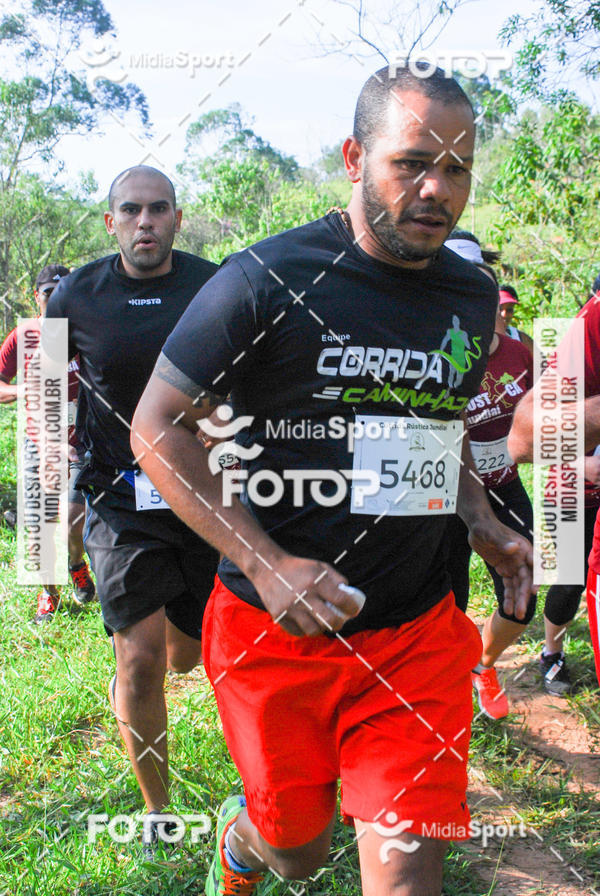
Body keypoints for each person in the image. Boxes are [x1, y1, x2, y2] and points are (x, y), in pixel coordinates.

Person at [132, 67, 534, 896]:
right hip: (275, 639)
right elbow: (157, 426)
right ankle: (245, 849)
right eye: (411, 162)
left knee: (409, 871)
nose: (436, 189)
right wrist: (272, 563)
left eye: (457, 168)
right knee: (298, 849)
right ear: (355, 156)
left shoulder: (469, 291)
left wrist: (482, 518)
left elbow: (438, 421)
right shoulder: (265, 279)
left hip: (418, 632)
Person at [44, 167, 219, 851]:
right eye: (131, 211)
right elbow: (47, 384)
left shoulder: (214, 283)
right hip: (118, 496)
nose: (144, 222)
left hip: (203, 492)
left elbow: (250, 371)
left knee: (188, 657)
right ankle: (156, 812)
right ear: (109, 222)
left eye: (157, 210)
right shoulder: (75, 294)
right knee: (140, 662)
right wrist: (54, 470)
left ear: (177, 218)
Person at [443, 239, 536, 718]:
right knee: (447, 605)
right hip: (444, 495)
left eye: (478, 278)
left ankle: (483, 663)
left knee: (524, 593)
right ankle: (447, 691)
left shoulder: (521, 354)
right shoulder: (435, 354)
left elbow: (549, 415)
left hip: (505, 487)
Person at [509, 272, 600, 694]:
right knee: (568, 580)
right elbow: (537, 431)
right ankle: (552, 653)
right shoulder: (575, 347)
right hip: (570, 488)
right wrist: (581, 464)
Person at [0, 264, 95, 620]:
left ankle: (75, 564)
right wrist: (25, 389)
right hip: (38, 444)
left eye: (62, 293)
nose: (55, 300)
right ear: (35, 297)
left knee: (73, 518)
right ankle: (48, 593)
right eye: (47, 294)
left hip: (79, 442)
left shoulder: (86, 332)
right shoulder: (22, 335)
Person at [498, 284, 534, 354]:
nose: (504, 314)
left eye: (509, 310)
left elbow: (541, 363)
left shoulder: (521, 338)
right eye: (500, 309)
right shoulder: (481, 338)